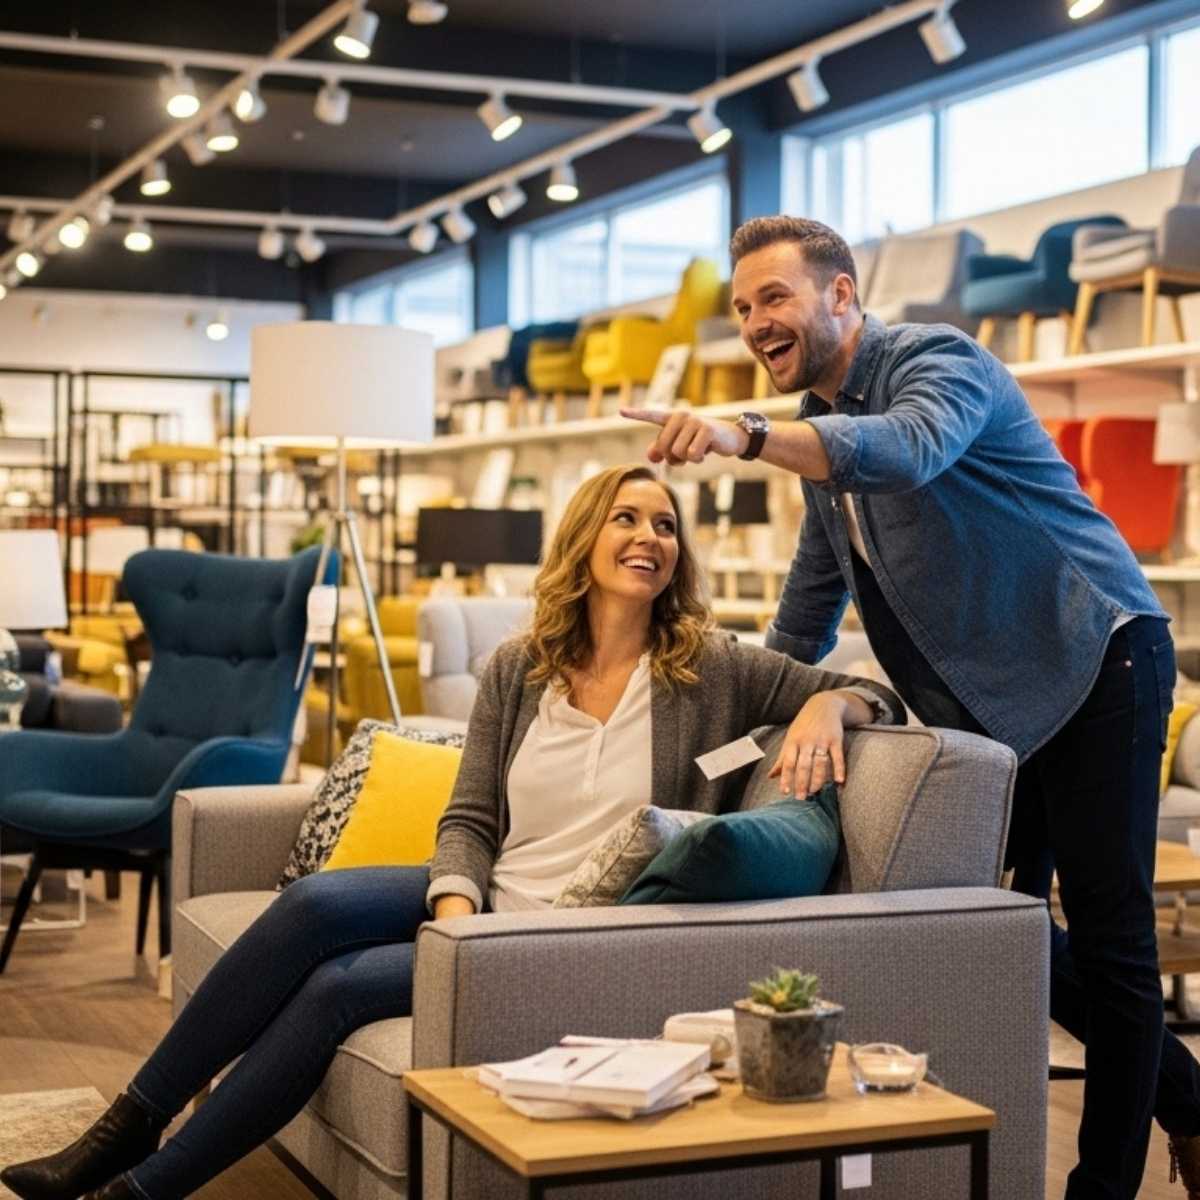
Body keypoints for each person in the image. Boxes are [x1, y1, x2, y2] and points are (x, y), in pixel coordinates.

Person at [1, 462, 902, 1200]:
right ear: (586, 537)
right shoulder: (521, 664)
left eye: (666, 525)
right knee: (314, 903)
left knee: (337, 988)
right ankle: (126, 1126)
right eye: (626, 518)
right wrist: (454, 906)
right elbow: (469, 816)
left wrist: (833, 705)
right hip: (494, 889)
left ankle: (146, 1190)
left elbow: (878, 692)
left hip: (567, 929)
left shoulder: (711, 665)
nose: (649, 538)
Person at [622, 214, 1200, 1200]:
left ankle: (1101, 1189)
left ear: (841, 294)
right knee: (1010, 932)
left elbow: (906, 450)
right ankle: (1192, 1105)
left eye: (775, 297)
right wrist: (728, 730)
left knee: (1112, 938)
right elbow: (810, 600)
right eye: (744, 306)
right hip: (1004, 711)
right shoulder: (820, 431)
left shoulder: (939, 364)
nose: (757, 321)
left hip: (1100, 658)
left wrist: (747, 434)